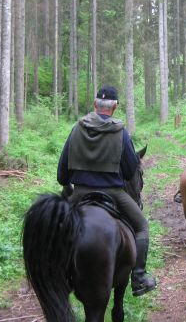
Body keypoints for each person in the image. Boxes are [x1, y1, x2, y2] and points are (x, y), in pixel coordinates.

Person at [57, 86, 157, 297]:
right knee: (141, 226)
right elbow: (131, 172)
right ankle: (138, 277)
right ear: (115, 107)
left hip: (80, 193)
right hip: (114, 193)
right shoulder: (120, 132)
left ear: (95, 106)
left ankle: (58, 276)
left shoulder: (76, 129)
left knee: (56, 229)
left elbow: (61, 175)